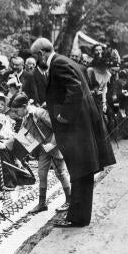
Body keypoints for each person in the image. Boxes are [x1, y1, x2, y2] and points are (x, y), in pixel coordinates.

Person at [30, 37, 116, 227]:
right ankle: (78, 216)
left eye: (36, 57)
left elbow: (75, 88)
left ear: (40, 54)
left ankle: (78, 218)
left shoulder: (58, 63)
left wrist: (63, 115)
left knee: (79, 172)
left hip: (75, 128)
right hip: (82, 126)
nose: (37, 62)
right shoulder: (67, 61)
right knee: (82, 172)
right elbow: (76, 84)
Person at [9, 93, 71, 212]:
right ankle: (42, 203)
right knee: (42, 174)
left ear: (25, 106)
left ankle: (69, 200)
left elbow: (57, 128)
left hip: (55, 147)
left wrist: (52, 144)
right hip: (43, 150)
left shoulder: (39, 113)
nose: (16, 114)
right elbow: (24, 138)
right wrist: (7, 144)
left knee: (61, 174)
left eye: (17, 111)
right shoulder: (26, 118)